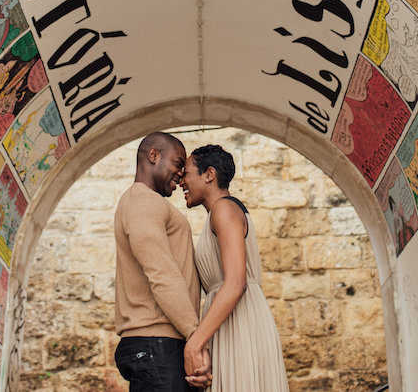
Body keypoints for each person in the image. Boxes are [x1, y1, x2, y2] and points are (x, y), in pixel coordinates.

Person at [179, 145, 289, 391]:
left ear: (209, 174)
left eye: (186, 173)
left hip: (239, 323)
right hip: (227, 322)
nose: (180, 181)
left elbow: (236, 282)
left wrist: (194, 343)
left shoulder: (224, 209)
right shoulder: (218, 213)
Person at [114, 132, 211, 390]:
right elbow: (161, 274)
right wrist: (195, 336)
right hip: (156, 342)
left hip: (161, 344)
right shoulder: (141, 201)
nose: (181, 174)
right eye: (178, 164)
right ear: (153, 156)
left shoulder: (148, 202)